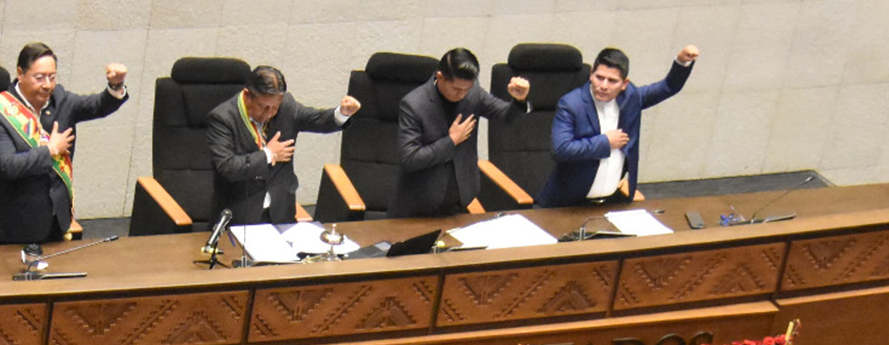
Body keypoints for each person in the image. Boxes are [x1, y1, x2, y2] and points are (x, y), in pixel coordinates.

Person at [0, 42, 129, 245]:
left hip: (54, 221)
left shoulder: (61, 100)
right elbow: (8, 166)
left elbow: (98, 105)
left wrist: (115, 86)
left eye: (52, 77)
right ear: (20, 73)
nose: (47, 85)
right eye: (39, 77)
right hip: (11, 225)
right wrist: (50, 150)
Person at [534, 45, 698, 209]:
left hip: (611, 201)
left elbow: (668, 87)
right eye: (599, 77)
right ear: (591, 74)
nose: (604, 85)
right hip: (567, 204)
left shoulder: (632, 98)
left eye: (612, 81)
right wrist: (605, 142)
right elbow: (561, 149)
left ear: (624, 83)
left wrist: (682, 62)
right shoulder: (571, 104)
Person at [207, 65, 359, 226]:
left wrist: (342, 113)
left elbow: (315, 119)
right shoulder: (222, 118)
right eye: (263, 107)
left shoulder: (286, 106)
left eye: (274, 108)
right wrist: (267, 155)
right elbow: (227, 167)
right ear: (247, 95)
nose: (269, 113)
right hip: (239, 216)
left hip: (280, 213)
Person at [388, 47, 530, 218]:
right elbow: (409, 159)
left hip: (460, 202)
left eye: (467, 89)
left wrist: (519, 100)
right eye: (456, 89)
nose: (462, 94)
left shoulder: (473, 93)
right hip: (418, 207)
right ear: (440, 77)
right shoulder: (413, 104)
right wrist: (451, 141)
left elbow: (505, 116)